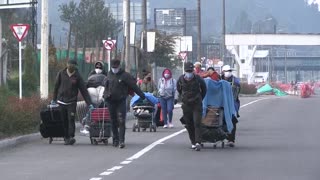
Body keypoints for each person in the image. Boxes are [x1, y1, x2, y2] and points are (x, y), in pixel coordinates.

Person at [103, 59, 146, 148]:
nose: (114, 69)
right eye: (113, 67)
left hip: (121, 101)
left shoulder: (125, 75)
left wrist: (142, 95)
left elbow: (133, 86)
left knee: (121, 121)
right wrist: (105, 95)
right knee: (113, 121)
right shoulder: (109, 74)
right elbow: (106, 86)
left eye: (116, 67)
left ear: (119, 66)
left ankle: (121, 141)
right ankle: (115, 139)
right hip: (110, 101)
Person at [52, 59, 94, 145]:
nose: (70, 66)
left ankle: (71, 137)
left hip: (71, 102)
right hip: (61, 101)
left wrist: (89, 103)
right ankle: (66, 137)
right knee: (63, 120)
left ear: (75, 66)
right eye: (69, 65)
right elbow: (56, 86)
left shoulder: (77, 76)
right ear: (67, 65)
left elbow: (83, 90)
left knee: (70, 119)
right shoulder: (61, 73)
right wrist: (54, 99)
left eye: (72, 65)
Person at [177, 62, 207, 151]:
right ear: (185, 71)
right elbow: (179, 90)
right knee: (189, 124)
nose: (189, 73)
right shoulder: (181, 79)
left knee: (197, 123)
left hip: (197, 104)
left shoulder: (198, 79)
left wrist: (200, 98)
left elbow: (204, 89)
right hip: (186, 105)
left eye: (190, 71)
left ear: (193, 70)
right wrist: (183, 98)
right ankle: (193, 142)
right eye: (187, 71)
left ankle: (198, 142)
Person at [221, 65, 240, 147]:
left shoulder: (235, 81)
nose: (228, 72)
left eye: (229, 71)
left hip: (232, 102)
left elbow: (236, 94)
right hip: (220, 102)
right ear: (222, 72)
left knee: (232, 119)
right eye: (226, 71)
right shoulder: (218, 79)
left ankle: (231, 139)